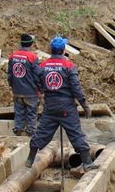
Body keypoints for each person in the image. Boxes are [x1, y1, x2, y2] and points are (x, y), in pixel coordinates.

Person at [26, 37, 98, 171]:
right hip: (67, 108)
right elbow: (76, 88)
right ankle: (87, 163)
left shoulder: (43, 66)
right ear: (64, 50)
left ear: (50, 50)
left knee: (42, 132)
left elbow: (36, 82)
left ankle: (30, 158)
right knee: (76, 134)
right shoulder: (68, 66)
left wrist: (43, 92)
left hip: (50, 107)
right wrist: (85, 106)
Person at [7, 34, 40, 136]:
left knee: (19, 112)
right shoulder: (32, 57)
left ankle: (18, 130)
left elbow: (10, 75)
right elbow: (37, 75)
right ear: (31, 44)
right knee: (31, 113)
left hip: (17, 91)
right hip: (30, 91)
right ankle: (30, 133)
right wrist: (40, 88)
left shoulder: (13, 56)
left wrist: (12, 86)